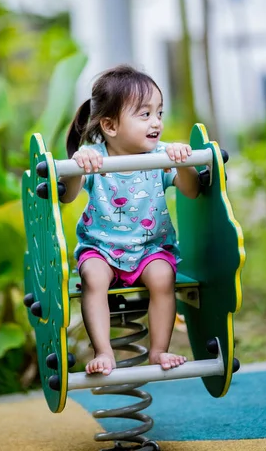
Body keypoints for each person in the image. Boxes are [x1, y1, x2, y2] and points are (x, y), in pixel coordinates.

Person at [60, 64, 200, 376]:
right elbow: (67, 195)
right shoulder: (94, 157)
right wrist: (76, 166)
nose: (157, 123)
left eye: (159, 113)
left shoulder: (161, 156)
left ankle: (159, 350)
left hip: (151, 249)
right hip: (102, 249)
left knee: (163, 277)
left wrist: (185, 163)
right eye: (145, 114)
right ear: (110, 125)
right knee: (93, 277)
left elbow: (191, 191)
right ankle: (104, 351)